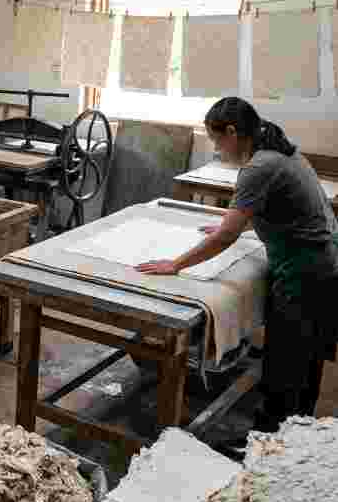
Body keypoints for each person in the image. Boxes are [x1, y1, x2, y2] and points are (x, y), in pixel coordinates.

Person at [136, 97, 338, 446]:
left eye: (216, 140)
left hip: (305, 270)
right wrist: (226, 226)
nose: (216, 148)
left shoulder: (260, 166)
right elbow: (271, 210)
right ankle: (297, 435)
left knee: (284, 364)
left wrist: (177, 264)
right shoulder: (281, 151)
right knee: (306, 359)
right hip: (323, 262)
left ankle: (266, 444)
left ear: (232, 132)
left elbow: (229, 234)